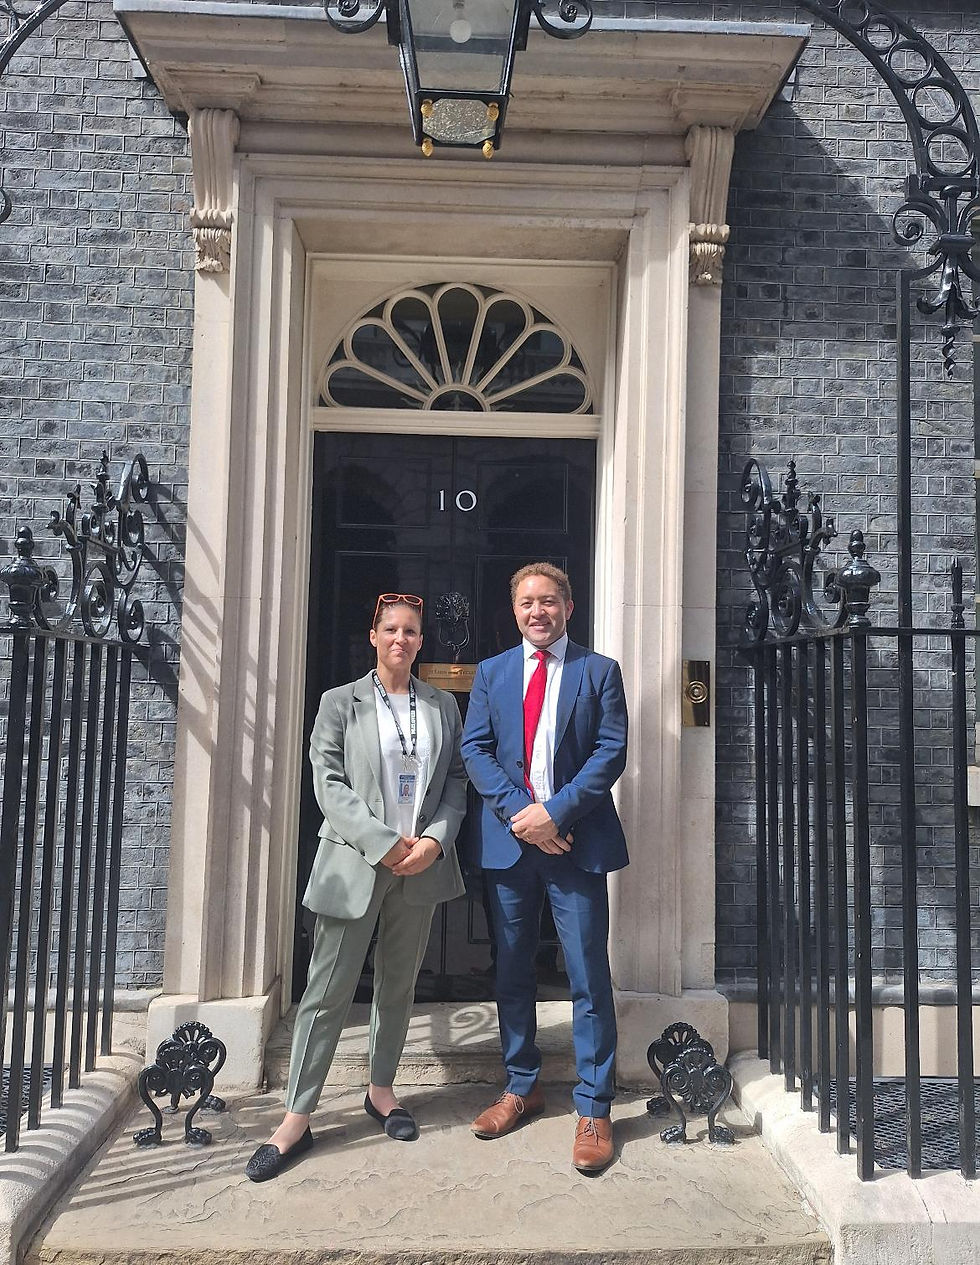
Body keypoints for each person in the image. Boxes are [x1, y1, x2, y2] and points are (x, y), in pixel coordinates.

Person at [245, 593, 467, 1181]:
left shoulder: (443, 705)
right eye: (391, 628)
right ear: (373, 635)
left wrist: (434, 841)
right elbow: (328, 782)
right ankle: (296, 1116)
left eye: (412, 631)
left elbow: (457, 781)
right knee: (326, 994)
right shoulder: (338, 703)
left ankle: (381, 1090)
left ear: (422, 641)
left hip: (418, 868)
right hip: (356, 867)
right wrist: (382, 841)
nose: (401, 639)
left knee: (398, 986)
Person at [460, 563, 628, 1174]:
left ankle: (594, 1105)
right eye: (528, 602)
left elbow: (610, 753)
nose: (539, 611)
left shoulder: (599, 672)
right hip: (511, 845)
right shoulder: (491, 673)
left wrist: (555, 814)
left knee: (587, 974)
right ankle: (521, 1084)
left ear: (568, 607)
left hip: (575, 844)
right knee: (512, 971)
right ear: (515, 611)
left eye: (550, 602)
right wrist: (521, 815)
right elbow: (474, 749)